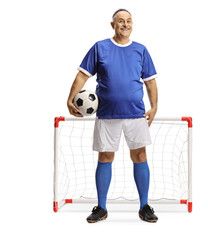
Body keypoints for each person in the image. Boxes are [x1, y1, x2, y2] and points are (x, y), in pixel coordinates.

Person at [66, 9, 159, 223]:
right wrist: (70, 99)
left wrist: (154, 107)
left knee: (140, 156)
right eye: (120, 21)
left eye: (128, 21)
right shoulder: (100, 47)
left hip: (136, 114)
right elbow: (82, 74)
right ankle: (101, 207)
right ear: (112, 25)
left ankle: (144, 206)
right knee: (105, 157)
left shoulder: (141, 50)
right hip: (107, 114)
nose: (125, 24)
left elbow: (151, 81)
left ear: (132, 24)